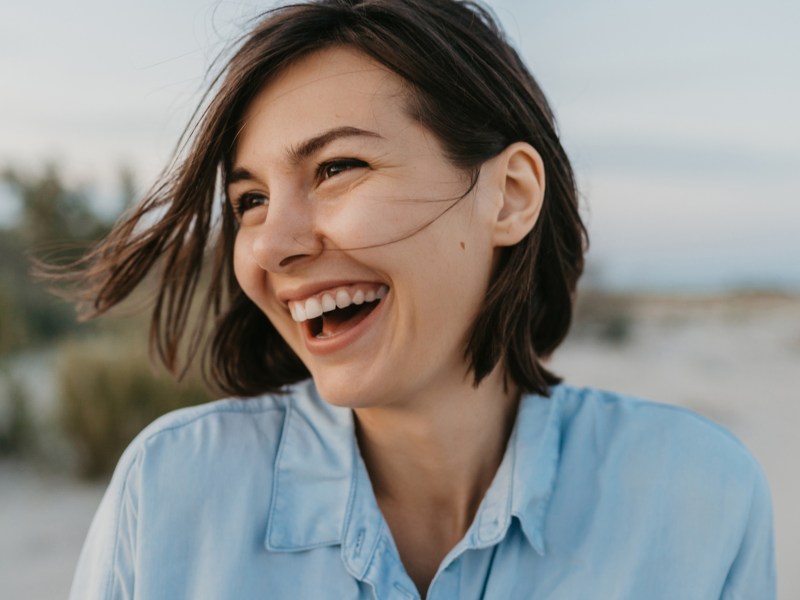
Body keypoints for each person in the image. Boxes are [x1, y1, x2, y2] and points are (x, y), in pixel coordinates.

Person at [64, 1, 775, 598]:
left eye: (338, 167)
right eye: (250, 200)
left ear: (511, 196)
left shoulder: (695, 495)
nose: (270, 244)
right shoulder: (169, 494)